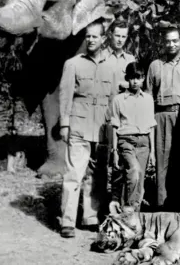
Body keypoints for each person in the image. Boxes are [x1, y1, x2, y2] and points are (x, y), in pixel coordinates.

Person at [59, 20, 117, 238]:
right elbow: (65, 96)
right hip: (79, 126)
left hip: (101, 128)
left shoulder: (111, 67)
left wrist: (112, 129)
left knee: (97, 175)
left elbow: (113, 100)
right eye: (88, 36)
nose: (91, 40)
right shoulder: (73, 64)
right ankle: (67, 221)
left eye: (95, 36)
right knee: (74, 174)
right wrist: (64, 124)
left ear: (103, 39)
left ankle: (90, 217)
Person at [146, 26, 180, 210]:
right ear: (163, 42)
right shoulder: (155, 65)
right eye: (168, 41)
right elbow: (147, 97)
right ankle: (162, 206)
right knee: (162, 161)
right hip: (161, 115)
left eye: (175, 41)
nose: (172, 44)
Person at [108, 62, 156, 213]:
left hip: (144, 143)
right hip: (126, 141)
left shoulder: (148, 99)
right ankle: (129, 210)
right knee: (134, 172)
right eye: (132, 78)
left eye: (139, 78)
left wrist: (153, 152)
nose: (135, 81)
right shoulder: (118, 100)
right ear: (127, 79)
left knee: (139, 180)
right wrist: (114, 150)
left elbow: (151, 126)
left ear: (143, 79)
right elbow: (115, 126)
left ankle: (131, 215)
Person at [104, 21, 136, 91]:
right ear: (110, 34)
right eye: (117, 36)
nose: (120, 40)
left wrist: (126, 84)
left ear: (126, 37)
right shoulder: (101, 56)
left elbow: (136, 83)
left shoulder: (130, 59)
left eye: (123, 37)